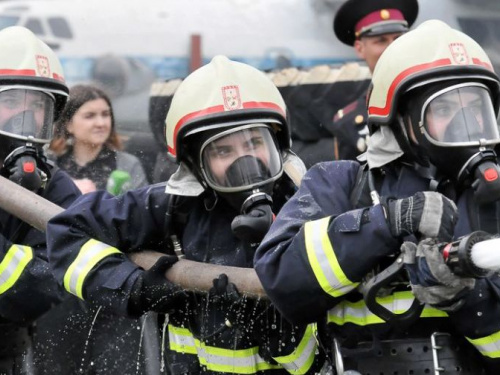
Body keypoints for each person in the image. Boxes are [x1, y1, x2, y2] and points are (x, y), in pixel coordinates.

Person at [46, 55, 325, 374]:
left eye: (253, 142)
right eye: (223, 150)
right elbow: (67, 232)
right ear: (194, 163)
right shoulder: (171, 207)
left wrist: (279, 332)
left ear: (277, 142)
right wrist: (135, 287)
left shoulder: (309, 206)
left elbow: (327, 355)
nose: (245, 162)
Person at [255, 20, 500, 374]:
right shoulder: (340, 183)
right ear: (400, 119)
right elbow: (281, 276)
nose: (465, 122)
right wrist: (387, 222)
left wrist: (465, 297)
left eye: (474, 107)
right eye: (444, 109)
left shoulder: (491, 195)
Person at [0, 26, 81, 374]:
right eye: (10, 101)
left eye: (38, 105)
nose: (26, 116)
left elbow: (35, 290)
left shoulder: (54, 188)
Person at [327, 0, 419, 161]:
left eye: (398, 38)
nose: (393, 47)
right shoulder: (348, 123)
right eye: (381, 40)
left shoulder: (438, 101)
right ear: (360, 48)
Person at [49, 84, 148, 194]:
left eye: (105, 114)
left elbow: (138, 208)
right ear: (69, 124)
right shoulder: (51, 164)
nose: (101, 123)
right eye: (89, 116)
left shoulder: (128, 165)